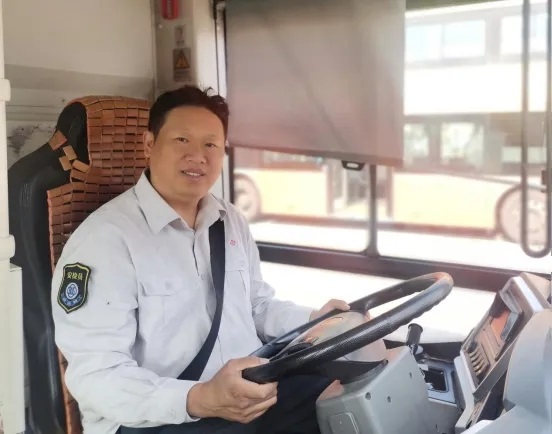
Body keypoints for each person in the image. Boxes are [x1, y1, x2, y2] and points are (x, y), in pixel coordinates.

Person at [51, 85, 351, 434]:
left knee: (350, 398)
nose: (198, 156)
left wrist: (316, 320)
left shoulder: (230, 220)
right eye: (182, 140)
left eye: (211, 145)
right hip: (160, 416)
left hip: (250, 391)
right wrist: (200, 398)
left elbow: (257, 306)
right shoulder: (105, 241)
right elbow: (98, 376)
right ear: (149, 145)